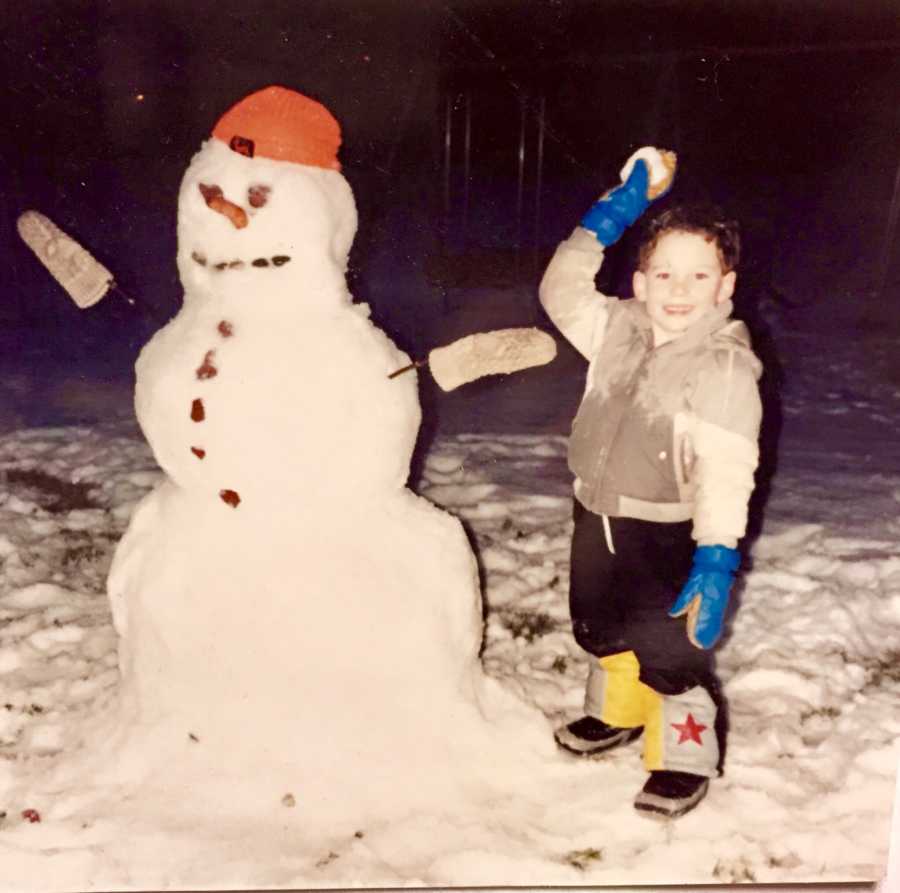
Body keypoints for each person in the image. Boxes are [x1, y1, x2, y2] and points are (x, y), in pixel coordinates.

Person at [538, 149, 762, 819]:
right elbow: (559, 292)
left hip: (665, 531)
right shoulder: (616, 330)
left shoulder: (724, 367)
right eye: (663, 271)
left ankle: (684, 752)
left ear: (725, 287)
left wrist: (717, 553)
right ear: (638, 281)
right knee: (600, 626)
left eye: (700, 274)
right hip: (594, 511)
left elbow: (728, 470)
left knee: (669, 647)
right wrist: (613, 212)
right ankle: (618, 711)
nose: (679, 287)